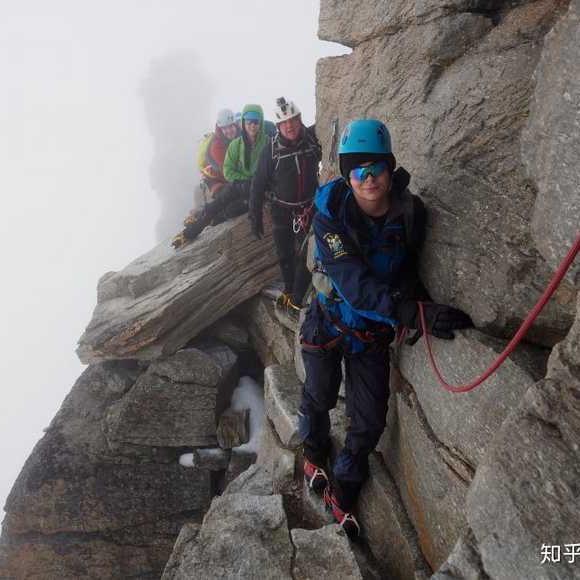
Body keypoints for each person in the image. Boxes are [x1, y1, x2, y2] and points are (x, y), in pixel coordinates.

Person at [298, 119, 472, 537]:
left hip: (370, 336)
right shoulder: (329, 219)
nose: (368, 178)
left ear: (390, 169)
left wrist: (421, 302)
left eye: (376, 168)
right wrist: (412, 313)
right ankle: (314, 450)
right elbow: (354, 286)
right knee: (319, 395)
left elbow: (409, 266)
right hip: (329, 321)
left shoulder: (411, 215)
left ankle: (344, 487)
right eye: (358, 171)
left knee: (370, 421)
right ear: (346, 175)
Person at [250, 97, 322, 316]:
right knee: (284, 254)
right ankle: (290, 289)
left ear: (299, 120)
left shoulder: (311, 139)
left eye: (292, 120)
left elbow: (329, 118)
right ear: (278, 126)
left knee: (304, 253)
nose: (289, 126)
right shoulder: (270, 151)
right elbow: (257, 185)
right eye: (284, 123)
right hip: (281, 209)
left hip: (308, 207)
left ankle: (297, 295)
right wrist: (255, 218)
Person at [172, 106, 264, 249]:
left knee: (241, 203)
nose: (228, 131)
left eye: (230, 126)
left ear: (235, 124)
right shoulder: (217, 146)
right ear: (220, 128)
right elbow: (228, 172)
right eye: (224, 128)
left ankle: (209, 218)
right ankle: (200, 223)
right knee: (232, 201)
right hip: (219, 182)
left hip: (235, 180)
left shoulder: (241, 135)